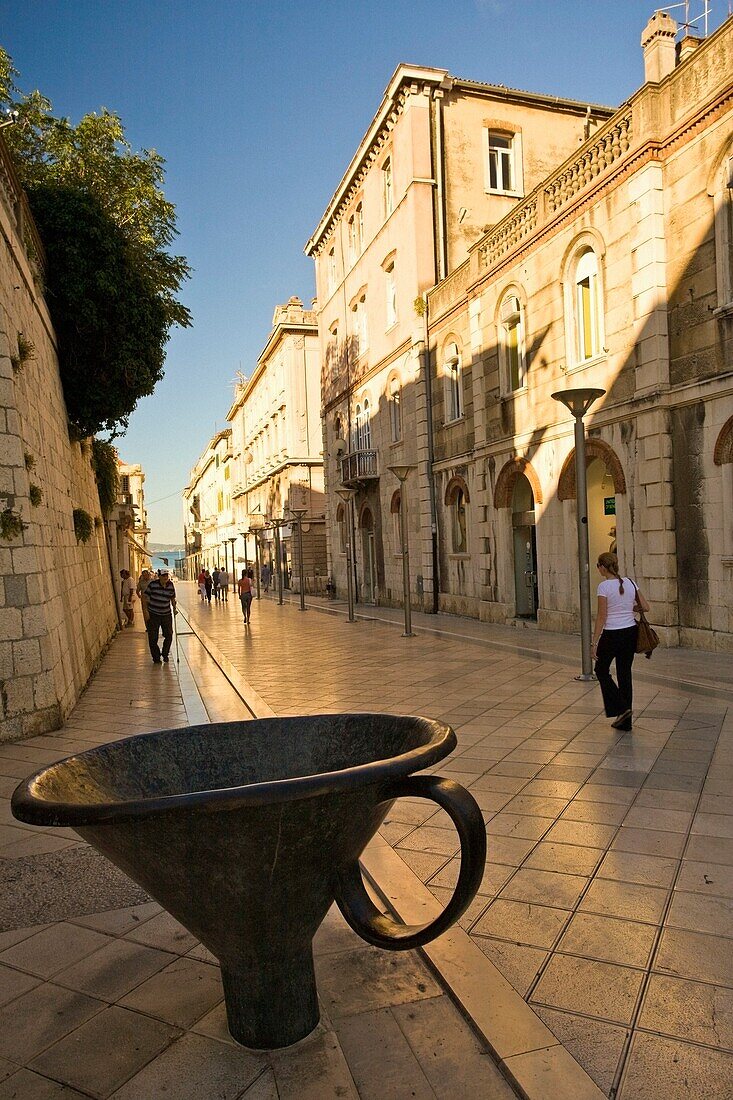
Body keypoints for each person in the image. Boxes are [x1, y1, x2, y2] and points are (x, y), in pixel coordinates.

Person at [592, 552, 650, 733]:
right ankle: (626, 722)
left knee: (601, 670)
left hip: (612, 634)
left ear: (602, 567)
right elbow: (646, 607)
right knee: (625, 674)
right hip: (630, 633)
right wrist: (627, 607)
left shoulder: (604, 587)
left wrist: (594, 642)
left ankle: (621, 707)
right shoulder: (630, 583)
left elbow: (602, 616)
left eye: (598, 565)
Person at [145, 569, 177, 664]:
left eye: (166, 575)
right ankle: (156, 657)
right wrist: (145, 612)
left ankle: (165, 653)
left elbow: (172, 597)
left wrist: (174, 607)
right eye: (163, 576)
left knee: (169, 635)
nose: (165, 577)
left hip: (166, 614)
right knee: (153, 637)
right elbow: (145, 597)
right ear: (159, 576)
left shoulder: (170, 585)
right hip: (154, 614)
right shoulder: (153, 585)